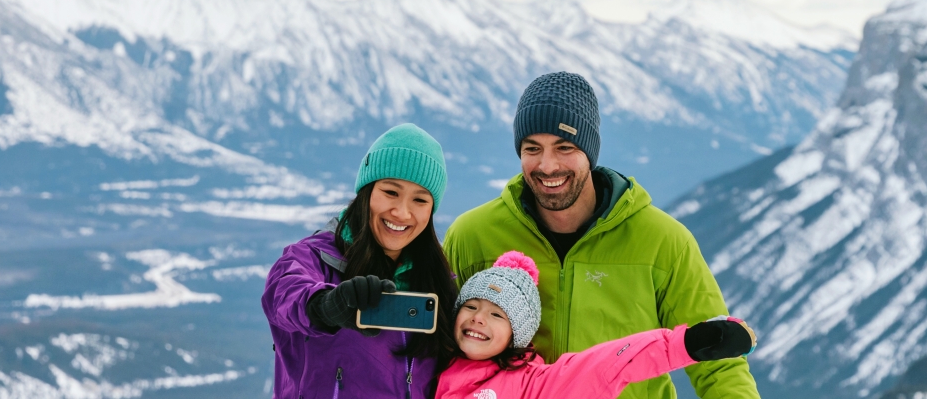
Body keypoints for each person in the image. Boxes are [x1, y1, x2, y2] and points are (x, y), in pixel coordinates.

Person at [444, 72, 761, 399]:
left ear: (590, 151)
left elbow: (717, 360)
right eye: (532, 148)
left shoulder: (663, 241)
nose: (547, 165)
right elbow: (425, 343)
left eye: (564, 146)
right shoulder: (473, 235)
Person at [263, 123, 460, 399]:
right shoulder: (313, 258)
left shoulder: (438, 283)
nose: (402, 212)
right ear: (366, 193)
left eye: (420, 200)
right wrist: (326, 306)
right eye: (391, 192)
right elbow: (282, 293)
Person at [437, 251, 756, 399]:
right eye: (471, 306)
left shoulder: (536, 385)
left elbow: (609, 364)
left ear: (517, 334)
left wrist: (686, 344)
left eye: (497, 315)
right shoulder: (426, 360)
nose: (478, 317)